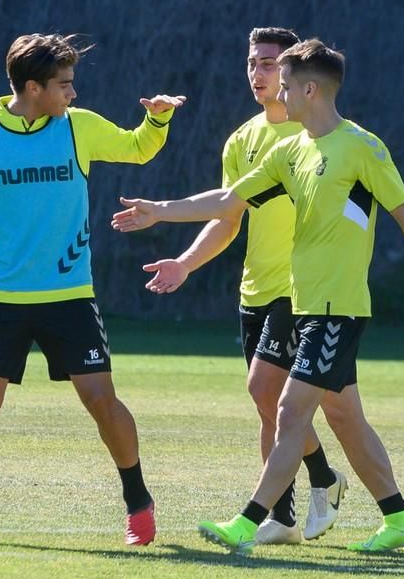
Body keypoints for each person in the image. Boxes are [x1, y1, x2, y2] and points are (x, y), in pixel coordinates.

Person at [112, 39, 404, 554]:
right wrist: (160, 209)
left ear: (310, 89)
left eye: (285, 84)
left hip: (338, 308)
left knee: (289, 410)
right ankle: (399, 519)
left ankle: (250, 521)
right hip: (305, 306)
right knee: (345, 418)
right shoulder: (290, 149)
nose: (277, 92)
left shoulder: (361, 147)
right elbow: (230, 199)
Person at [0, 32, 185, 545]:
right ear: (32, 87)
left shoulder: (78, 128)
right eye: (64, 84)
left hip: (69, 296)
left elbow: (136, 148)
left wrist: (157, 118)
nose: (73, 93)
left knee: (100, 400)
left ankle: (138, 502)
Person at [137, 27, 346, 546]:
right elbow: (229, 218)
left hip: (299, 290)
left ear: (296, 71)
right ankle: (287, 513)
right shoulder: (243, 139)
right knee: (267, 406)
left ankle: (315, 482)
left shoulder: (315, 136)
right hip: (254, 289)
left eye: (270, 64)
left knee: (264, 389)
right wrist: (186, 263)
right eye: (253, 62)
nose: (259, 73)